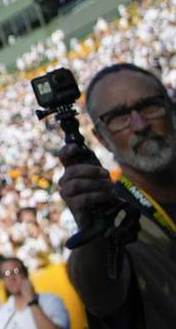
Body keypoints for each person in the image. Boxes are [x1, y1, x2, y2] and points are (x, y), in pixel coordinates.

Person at [57, 63, 176, 326]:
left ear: (171, 109)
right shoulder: (117, 220)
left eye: (149, 106)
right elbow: (99, 294)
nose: (140, 124)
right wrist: (93, 234)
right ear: (100, 138)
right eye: (119, 116)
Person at [0, 258, 69, 329]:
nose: (12, 277)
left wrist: (32, 303)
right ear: (3, 280)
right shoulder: (0, 315)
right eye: (6, 274)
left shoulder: (51, 300)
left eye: (16, 271)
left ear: (26, 274)